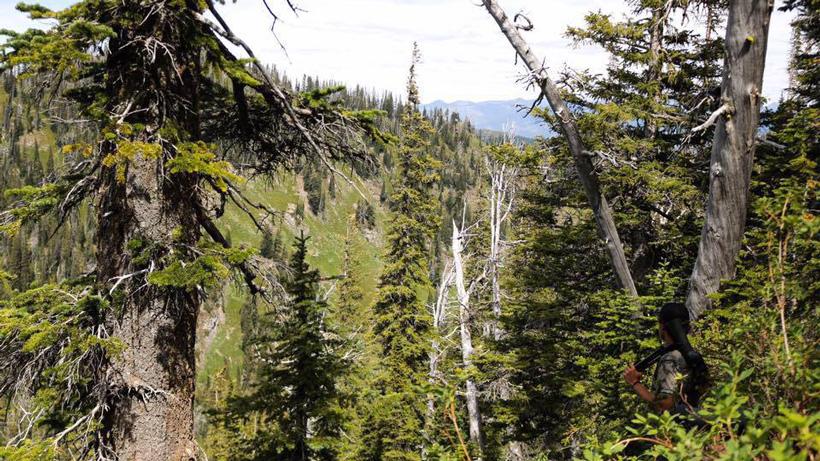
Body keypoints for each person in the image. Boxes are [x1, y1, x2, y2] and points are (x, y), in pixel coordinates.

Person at [623, 303, 694, 414]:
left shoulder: (669, 359)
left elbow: (665, 405)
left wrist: (635, 383)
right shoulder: (690, 353)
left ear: (663, 328)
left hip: (676, 428)